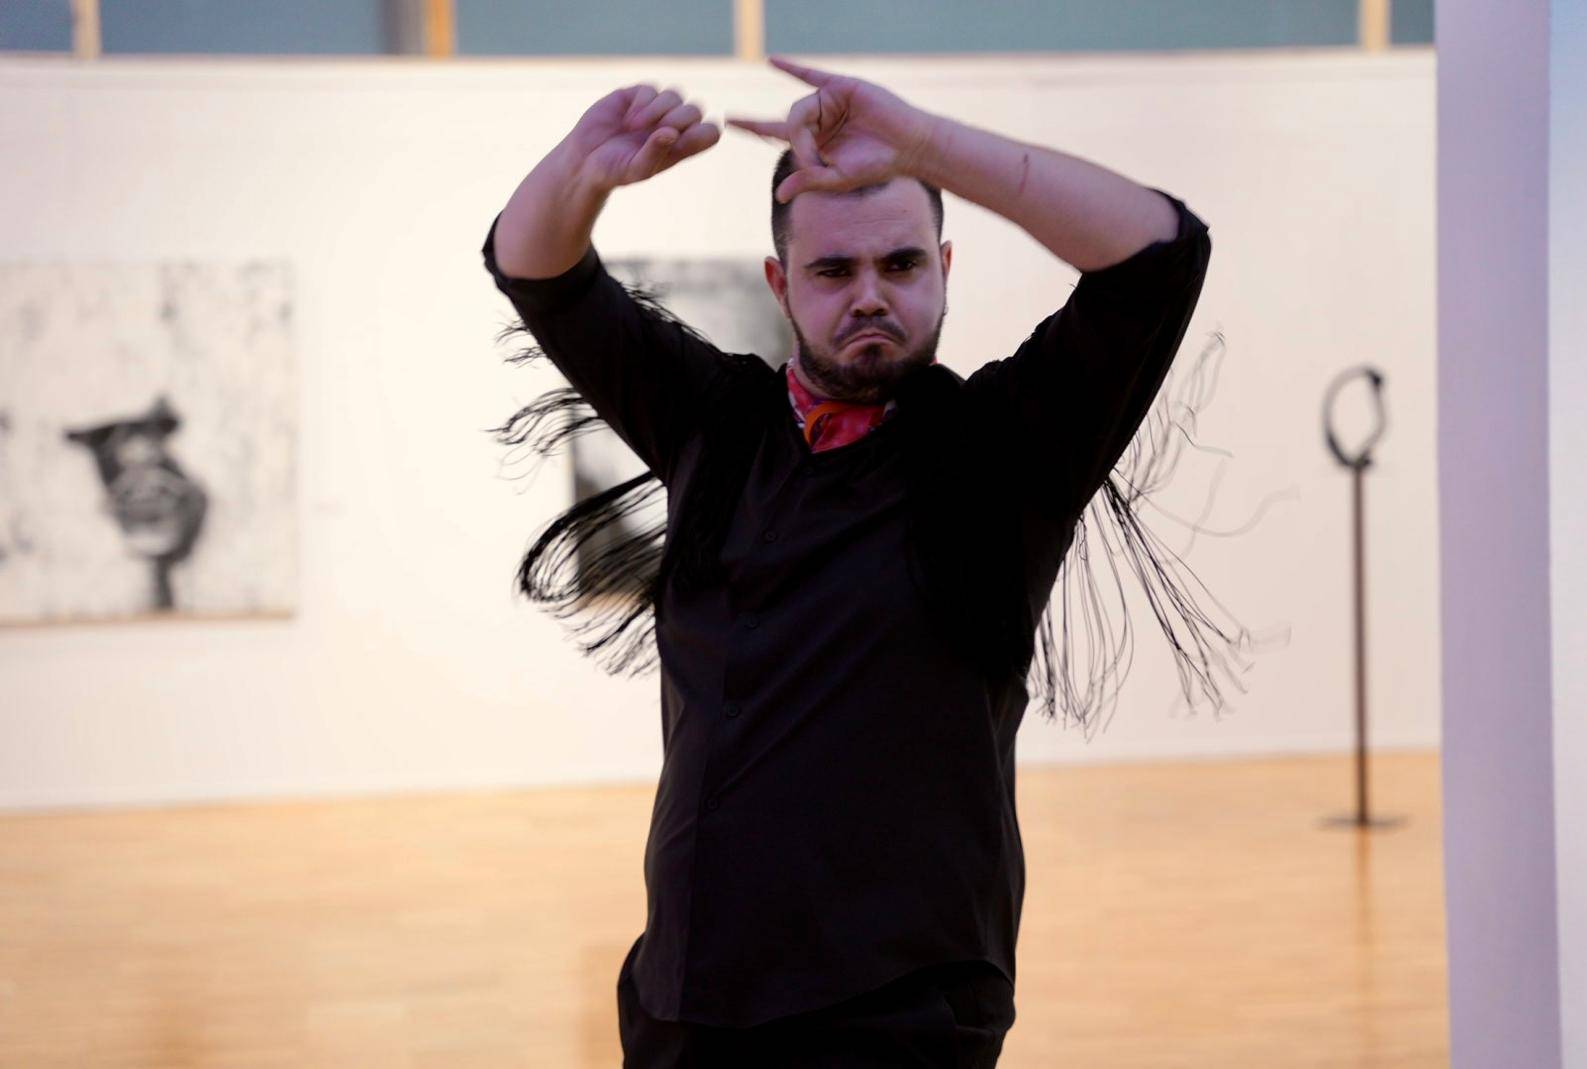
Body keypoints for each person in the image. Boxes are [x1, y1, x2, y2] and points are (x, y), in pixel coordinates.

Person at [482, 55, 1216, 1067]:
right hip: (690, 1000)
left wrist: (929, 146)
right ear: (783, 284)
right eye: (834, 271)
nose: (870, 296)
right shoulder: (716, 424)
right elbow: (535, 270)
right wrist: (582, 165)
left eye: (901, 266)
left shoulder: (1008, 450)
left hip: (904, 1012)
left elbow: (1158, 254)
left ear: (943, 271)